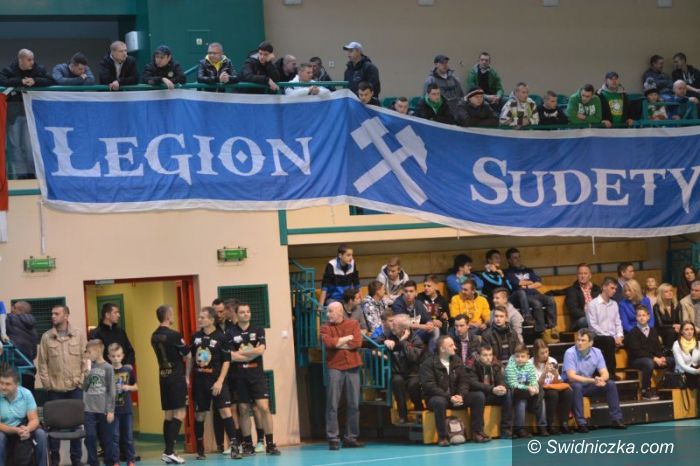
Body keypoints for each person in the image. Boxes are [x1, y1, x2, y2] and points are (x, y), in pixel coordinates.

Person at [227, 303, 280, 456]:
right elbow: (231, 356)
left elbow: (261, 350)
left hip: (257, 376)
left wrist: (242, 354)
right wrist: (252, 352)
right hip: (239, 377)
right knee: (243, 409)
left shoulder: (258, 330)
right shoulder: (230, 333)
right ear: (237, 314)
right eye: (242, 312)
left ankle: (270, 444)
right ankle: (248, 445)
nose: (246, 314)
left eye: (248, 311)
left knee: (264, 408)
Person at [189, 307, 241, 460]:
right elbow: (191, 358)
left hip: (217, 382)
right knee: (200, 415)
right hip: (200, 383)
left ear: (211, 320)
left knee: (225, 411)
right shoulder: (195, 337)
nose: (199, 319)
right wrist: (187, 377)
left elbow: (226, 361)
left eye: (202, 317)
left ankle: (234, 446)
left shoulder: (221, 337)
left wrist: (220, 381)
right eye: (199, 317)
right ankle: (200, 449)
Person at [37, 304, 86, 466]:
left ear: (66, 316)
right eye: (52, 313)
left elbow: (86, 360)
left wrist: (81, 380)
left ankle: (76, 460)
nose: (53, 316)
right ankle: (55, 459)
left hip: (75, 388)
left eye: (56, 313)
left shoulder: (78, 334)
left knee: (76, 426)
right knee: (54, 426)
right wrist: (47, 384)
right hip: (55, 390)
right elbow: (42, 363)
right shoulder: (46, 337)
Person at [420, 335, 491, 446]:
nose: (455, 347)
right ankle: (442, 437)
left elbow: (464, 381)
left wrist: (461, 395)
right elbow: (430, 387)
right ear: (442, 349)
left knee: (479, 396)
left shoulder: (457, 360)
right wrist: (449, 397)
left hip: (455, 397)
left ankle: (477, 433)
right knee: (439, 401)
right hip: (437, 398)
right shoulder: (428, 364)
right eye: (451, 345)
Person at [562, 329, 625, 432]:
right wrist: (593, 380)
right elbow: (571, 377)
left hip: (587, 385)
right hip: (571, 386)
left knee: (610, 384)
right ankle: (581, 423)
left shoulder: (597, 352)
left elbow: (605, 373)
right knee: (577, 386)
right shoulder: (570, 353)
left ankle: (616, 419)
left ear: (590, 343)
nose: (579, 343)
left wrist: (601, 379)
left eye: (583, 340)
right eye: (578, 340)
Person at [320, 302, 363, 451]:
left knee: (354, 404)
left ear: (339, 311)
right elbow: (330, 343)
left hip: (353, 367)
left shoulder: (353, 324)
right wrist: (346, 339)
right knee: (332, 404)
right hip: (335, 367)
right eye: (327, 311)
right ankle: (333, 438)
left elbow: (357, 343)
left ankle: (351, 437)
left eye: (330, 311)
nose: (328, 314)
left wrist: (338, 343)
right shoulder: (325, 327)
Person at [151, 304, 190, 464]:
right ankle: (169, 451)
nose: (174, 317)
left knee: (168, 414)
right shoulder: (174, 335)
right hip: (176, 377)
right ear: (168, 316)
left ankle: (167, 452)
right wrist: (187, 376)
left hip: (163, 377)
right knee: (180, 413)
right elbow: (187, 355)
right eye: (172, 314)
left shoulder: (153, 336)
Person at [378, 314, 425, 423]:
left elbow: (413, 358)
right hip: (397, 372)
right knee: (397, 382)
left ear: (403, 329)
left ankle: (419, 410)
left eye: (394, 325)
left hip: (413, 373)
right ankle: (402, 415)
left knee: (413, 385)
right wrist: (384, 341)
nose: (392, 326)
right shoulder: (390, 335)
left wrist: (403, 342)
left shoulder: (416, 339)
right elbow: (374, 341)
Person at [504, 248, 558, 342]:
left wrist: (527, 286)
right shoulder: (509, 272)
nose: (518, 259)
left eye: (519, 257)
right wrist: (531, 282)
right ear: (509, 260)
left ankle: (552, 328)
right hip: (523, 296)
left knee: (550, 300)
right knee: (537, 304)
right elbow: (518, 283)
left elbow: (539, 283)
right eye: (515, 258)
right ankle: (542, 332)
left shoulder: (528, 270)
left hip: (534, 293)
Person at [0, 367, 48, 466]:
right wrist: (14, 430)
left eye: (7, 384)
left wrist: (27, 429)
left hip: (23, 427)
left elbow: (34, 419)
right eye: (1, 383)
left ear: (17, 385)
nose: (3, 387)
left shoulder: (26, 394)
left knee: (41, 434)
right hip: (5, 430)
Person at [466, 344, 513, 438]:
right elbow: (473, 383)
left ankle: (506, 430)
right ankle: (479, 432)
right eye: (485, 355)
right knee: (479, 396)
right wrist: (492, 389)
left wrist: (502, 386)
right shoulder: (473, 365)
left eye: (490, 355)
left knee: (507, 393)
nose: (488, 358)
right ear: (479, 356)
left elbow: (501, 379)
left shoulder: (495, 364)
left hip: (491, 394)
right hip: (479, 396)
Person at [626, 305, 672, 401]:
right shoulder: (632, 333)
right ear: (636, 317)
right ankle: (645, 390)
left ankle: (665, 387)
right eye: (639, 316)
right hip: (637, 360)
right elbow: (637, 352)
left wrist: (661, 357)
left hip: (653, 358)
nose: (641, 318)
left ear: (648, 316)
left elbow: (658, 348)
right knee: (648, 363)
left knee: (671, 360)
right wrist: (654, 358)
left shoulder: (653, 331)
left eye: (643, 315)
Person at [83, 339, 116, 466]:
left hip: (103, 409)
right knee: (90, 437)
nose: (87, 354)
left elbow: (112, 390)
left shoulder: (108, 368)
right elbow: (84, 388)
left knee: (107, 439)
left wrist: (111, 410)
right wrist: (86, 374)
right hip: (89, 409)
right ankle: (93, 463)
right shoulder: (89, 367)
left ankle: (109, 462)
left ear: (97, 351)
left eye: (89, 352)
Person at [530, 339, 573, 435]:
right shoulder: (530, 363)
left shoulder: (552, 360)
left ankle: (564, 423)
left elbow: (559, 382)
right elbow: (537, 384)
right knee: (552, 394)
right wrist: (545, 373)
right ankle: (551, 424)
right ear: (536, 353)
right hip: (540, 390)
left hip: (552, 386)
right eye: (542, 353)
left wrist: (556, 373)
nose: (545, 355)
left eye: (546, 352)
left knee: (568, 392)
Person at [585, 277, 624, 376]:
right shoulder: (592, 304)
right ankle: (611, 373)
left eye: (615, 289)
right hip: (597, 337)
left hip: (612, 337)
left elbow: (618, 322)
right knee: (608, 341)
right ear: (604, 287)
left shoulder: (614, 304)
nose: (614, 291)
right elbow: (593, 326)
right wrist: (612, 337)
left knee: (630, 338)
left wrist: (619, 336)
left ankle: (630, 372)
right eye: (612, 288)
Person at [504, 345, 546, 437]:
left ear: (528, 357)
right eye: (517, 356)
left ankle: (542, 426)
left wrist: (535, 387)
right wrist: (528, 388)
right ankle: (519, 429)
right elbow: (513, 384)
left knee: (540, 392)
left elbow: (533, 380)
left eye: (522, 356)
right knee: (522, 400)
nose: (520, 359)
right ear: (514, 356)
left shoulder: (529, 366)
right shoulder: (510, 367)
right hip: (514, 393)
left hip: (527, 392)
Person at [108, 343, 137, 466]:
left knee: (128, 436)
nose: (116, 358)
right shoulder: (107, 371)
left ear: (123, 356)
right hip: (113, 410)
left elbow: (136, 386)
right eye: (113, 356)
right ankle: (116, 461)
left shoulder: (128, 370)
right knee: (114, 437)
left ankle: (131, 460)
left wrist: (128, 387)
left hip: (127, 409)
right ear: (109, 357)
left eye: (118, 356)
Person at [89, 302, 135, 367]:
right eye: (115, 312)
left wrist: (128, 365)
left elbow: (130, 351)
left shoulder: (121, 332)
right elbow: (94, 356)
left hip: (123, 370)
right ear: (107, 315)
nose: (119, 315)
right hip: (105, 371)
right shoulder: (95, 334)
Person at [5, 301, 38, 392]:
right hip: (29, 372)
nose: (11, 309)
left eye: (13, 307)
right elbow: (34, 354)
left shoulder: (10, 319)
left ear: (19, 310)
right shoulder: (33, 329)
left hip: (12, 371)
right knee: (27, 399)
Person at [393, 280, 437, 345]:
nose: (408, 294)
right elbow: (403, 324)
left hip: (417, 333)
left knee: (435, 330)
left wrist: (429, 324)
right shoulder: (398, 304)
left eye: (411, 291)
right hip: (404, 334)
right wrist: (423, 326)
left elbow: (427, 319)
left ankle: (431, 351)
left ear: (416, 293)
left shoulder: (419, 304)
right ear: (403, 292)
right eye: (406, 291)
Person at [564, 263, 601, 331]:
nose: (583, 276)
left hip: (597, 317)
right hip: (580, 320)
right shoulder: (572, 290)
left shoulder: (596, 289)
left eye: (585, 273)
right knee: (584, 321)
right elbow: (574, 310)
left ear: (590, 275)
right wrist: (590, 316)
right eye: (580, 274)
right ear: (577, 275)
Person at [671, 321, 700, 388]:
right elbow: (682, 365)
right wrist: (696, 371)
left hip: (697, 369)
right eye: (686, 329)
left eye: (692, 329)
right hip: (683, 372)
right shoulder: (676, 345)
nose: (690, 332)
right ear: (681, 331)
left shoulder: (698, 343)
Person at [654, 282, 682, 350]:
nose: (670, 293)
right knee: (671, 332)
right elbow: (660, 324)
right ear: (661, 294)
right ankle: (667, 350)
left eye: (671, 291)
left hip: (676, 329)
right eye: (666, 292)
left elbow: (680, 321)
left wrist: (678, 326)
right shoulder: (656, 307)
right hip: (662, 329)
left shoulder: (677, 305)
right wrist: (673, 326)